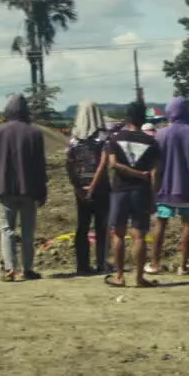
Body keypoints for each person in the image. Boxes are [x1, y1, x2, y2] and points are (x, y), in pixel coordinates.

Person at [0, 95, 48, 282]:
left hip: (5, 189)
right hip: (29, 189)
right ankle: (28, 269)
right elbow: (40, 166)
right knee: (28, 231)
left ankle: (10, 269)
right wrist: (43, 190)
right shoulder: (35, 134)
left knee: (7, 230)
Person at [149, 96, 189, 275]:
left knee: (160, 223)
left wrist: (153, 188)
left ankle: (155, 264)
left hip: (165, 188)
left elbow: (155, 165)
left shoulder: (161, 134)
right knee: (188, 224)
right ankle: (183, 265)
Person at [105, 101, 160, 288]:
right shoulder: (151, 142)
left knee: (118, 234)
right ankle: (139, 278)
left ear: (127, 118)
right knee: (139, 236)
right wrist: (153, 194)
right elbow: (154, 173)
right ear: (143, 118)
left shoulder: (115, 138)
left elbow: (112, 164)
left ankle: (119, 276)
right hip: (141, 192)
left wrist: (130, 172)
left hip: (119, 191)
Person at [66, 100, 109, 275]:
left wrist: (77, 186)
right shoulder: (103, 138)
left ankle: (82, 265)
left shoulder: (74, 140)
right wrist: (93, 186)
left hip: (80, 189)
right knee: (102, 226)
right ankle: (101, 263)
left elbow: (69, 164)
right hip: (101, 188)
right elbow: (103, 164)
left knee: (82, 226)